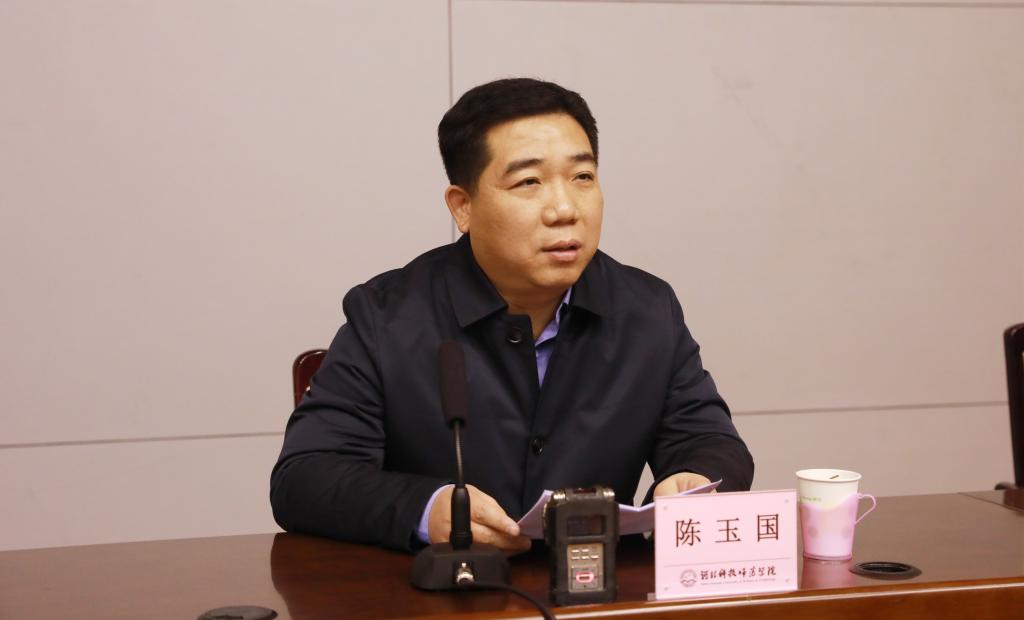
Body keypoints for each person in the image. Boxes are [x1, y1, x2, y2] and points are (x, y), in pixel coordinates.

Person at [270, 78, 754, 553]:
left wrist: (692, 478)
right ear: (463, 207)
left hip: (594, 587)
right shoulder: (388, 317)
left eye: (582, 177)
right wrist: (426, 509)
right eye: (529, 182)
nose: (564, 209)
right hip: (442, 589)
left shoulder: (646, 310)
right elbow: (305, 476)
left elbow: (710, 440)